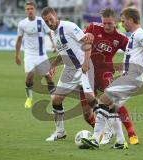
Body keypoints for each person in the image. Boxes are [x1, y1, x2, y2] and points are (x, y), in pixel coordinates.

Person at [81, 7, 143, 149]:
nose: (122, 24)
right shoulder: (134, 36)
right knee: (112, 106)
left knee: (103, 100)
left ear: (130, 20)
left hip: (131, 77)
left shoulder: (139, 34)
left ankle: (95, 139)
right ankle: (121, 142)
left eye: (123, 21)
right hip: (131, 77)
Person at [40, 7, 97, 141]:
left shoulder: (69, 26)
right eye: (46, 21)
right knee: (56, 100)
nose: (49, 23)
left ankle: (105, 130)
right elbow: (63, 52)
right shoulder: (53, 33)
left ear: (55, 15)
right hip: (69, 70)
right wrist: (53, 64)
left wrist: (86, 63)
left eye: (50, 19)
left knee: (91, 99)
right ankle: (60, 132)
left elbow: (87, 43)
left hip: (83, 67)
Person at [15, 1, 56, 109]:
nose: (29, 11)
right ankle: (29, 98)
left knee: (48, 76)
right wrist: (17, 55)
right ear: (25, 11)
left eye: (31, 9)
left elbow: (49, 33)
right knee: (30, 75)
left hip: (41, 54)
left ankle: (54, 99)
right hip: (29, 54)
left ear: (35, 10)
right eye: (27, 9)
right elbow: (19, 40)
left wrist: (53, 44)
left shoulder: (41, 21)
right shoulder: (22, 24)